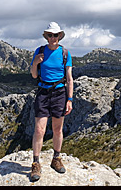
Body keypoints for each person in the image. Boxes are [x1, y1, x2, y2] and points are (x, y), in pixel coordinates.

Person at [28, 21, 73, 182]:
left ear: (59, 36)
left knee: (57, 129)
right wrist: (35, 63)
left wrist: (70, 99)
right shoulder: (39, 52)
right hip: (43, 92)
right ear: (46, 36)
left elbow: (69, 79)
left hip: (60, 93)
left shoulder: (65, 54)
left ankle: (56, 158)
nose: (53, 38)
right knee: (39, 130)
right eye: (50, 35)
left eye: (55, 35)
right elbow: (34, 75)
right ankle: (36, 162)